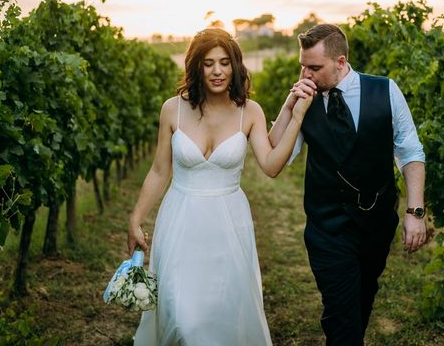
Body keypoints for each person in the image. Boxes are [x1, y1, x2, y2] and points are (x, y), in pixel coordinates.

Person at [127, 28, 312, 346]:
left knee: (220, 319)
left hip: (229, 225)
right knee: (184, 320)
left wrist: (296, 119)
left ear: (235, 66)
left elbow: (270, 166)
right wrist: (135, 219)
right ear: (196, 66)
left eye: (224, 62)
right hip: (181, 222)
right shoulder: (173, 109)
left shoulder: (249, 112)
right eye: (208, 63)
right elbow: (159, 170)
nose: (217, 71)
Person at [269, 24, 426, 345]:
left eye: (314, 67)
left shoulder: (385, 90)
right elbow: (276, 155)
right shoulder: (304, 101)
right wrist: (289, 106)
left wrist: (415, 211)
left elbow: (410, 151)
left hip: (377, 223)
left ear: (340, 62)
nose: (306, 74)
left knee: (362, 300)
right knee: (340, 315)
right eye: (303, 66)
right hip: (327, 227)